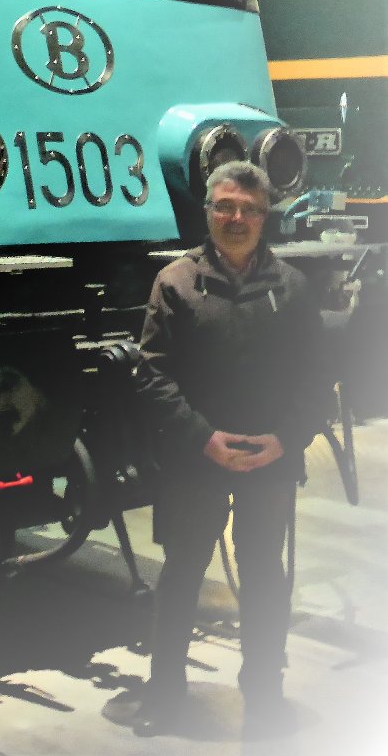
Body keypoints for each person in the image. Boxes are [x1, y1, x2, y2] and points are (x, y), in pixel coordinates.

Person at [133, 160, 333, 738]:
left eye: (248, 209)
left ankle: (265, 694)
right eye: (224, 206)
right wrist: (202, 438)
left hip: (270, 459)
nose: (236, 217)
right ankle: (164, 693)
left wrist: (286, 439)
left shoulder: (293, 288)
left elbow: (316, 377)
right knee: (182, 574)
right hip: (197, 458)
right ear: (208, 211)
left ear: (265, 216)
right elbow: (151, 374)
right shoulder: (175, 283)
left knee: (265, 576)